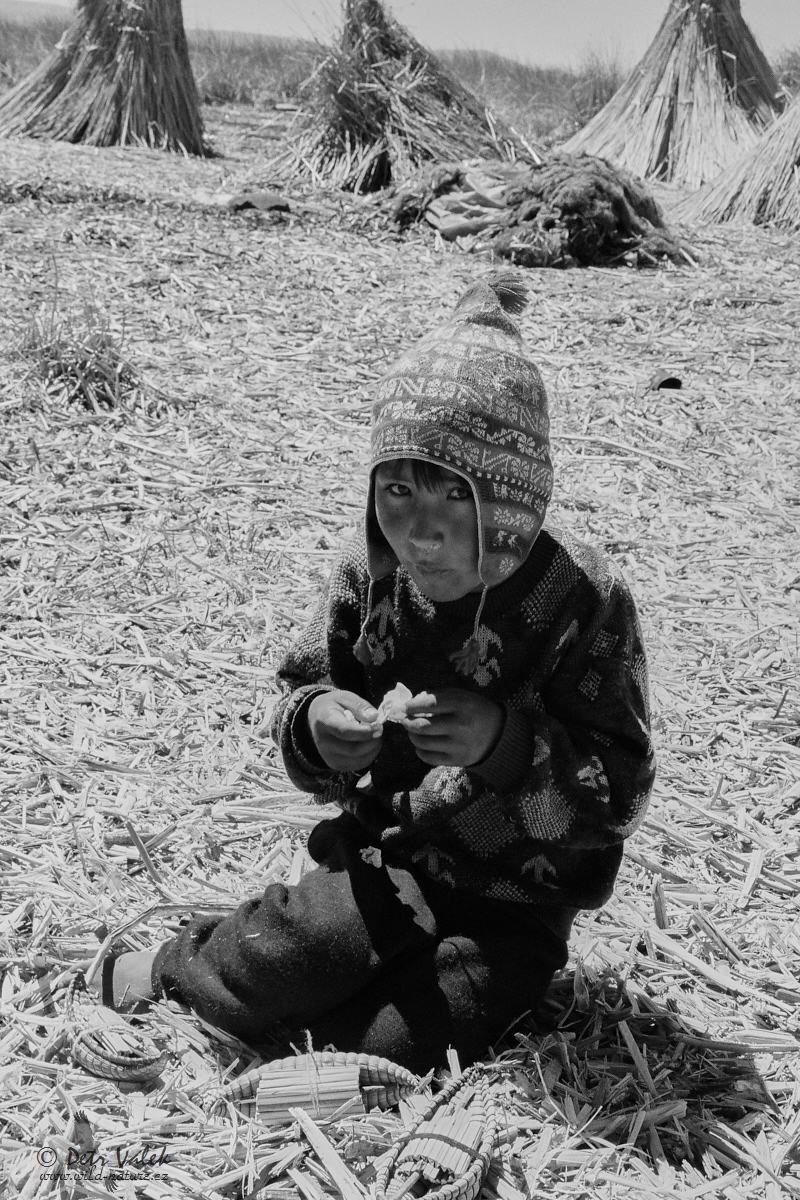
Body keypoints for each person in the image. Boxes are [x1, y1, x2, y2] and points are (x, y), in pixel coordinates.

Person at [100, 273, 655, 1073]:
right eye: (396, 489)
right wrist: (320, 725)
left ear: (512, 502)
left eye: (453, 499)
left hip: (514, 907)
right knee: (295, 949)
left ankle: (305, 1062)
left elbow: (623, 788)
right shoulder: (371, 581)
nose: (419, 531)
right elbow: (301, 692)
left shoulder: (584, 604)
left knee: (419, 1035)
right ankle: (169, 972)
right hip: (383, 857)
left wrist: (505, 744)